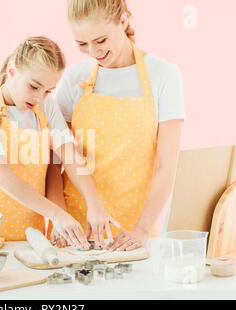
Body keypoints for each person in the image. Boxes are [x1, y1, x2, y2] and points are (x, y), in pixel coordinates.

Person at [47, 0, 185, 251]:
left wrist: (142, 229)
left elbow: (166, 166)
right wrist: (59, 218)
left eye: (100, 41)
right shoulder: (74, 78)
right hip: (75, 227)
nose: (93, 52)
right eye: (82, 44)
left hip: (134, 229)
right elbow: (54, 158)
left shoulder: (164, 76)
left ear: (123, 21)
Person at [0, 36, 119, 249]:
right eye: (34, 86)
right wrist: (56, 214)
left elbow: (70, 158)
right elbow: (5, 178)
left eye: (47, 91)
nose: (39, 97)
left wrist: (94, 203)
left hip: (32, 236)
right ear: (12, 70)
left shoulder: (46, 108)